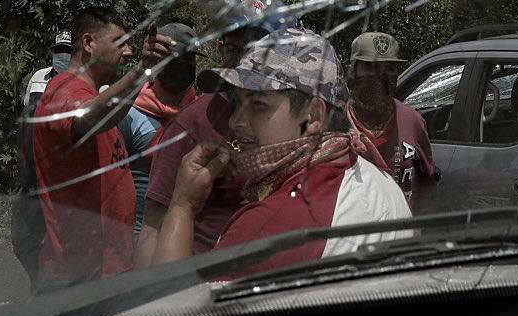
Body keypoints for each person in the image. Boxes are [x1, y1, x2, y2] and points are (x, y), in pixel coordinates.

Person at [154, 28, 411, 278]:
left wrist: (182, 206)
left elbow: (171, 311)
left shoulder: (267, 230)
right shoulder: (382, 183)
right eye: (237, 102)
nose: (235, 122)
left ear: (313, 116)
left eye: (258, 104)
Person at [15, 6, 173, 293]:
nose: (127, 53)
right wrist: (141, 69)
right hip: (75, 278)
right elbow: (88, 117)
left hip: (103, 271)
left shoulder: (93, 94)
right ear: (88, 43)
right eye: (119, 43)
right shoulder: (63, 88)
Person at [135, 0, 290, 266]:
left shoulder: (304, 122)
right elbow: (152, 230)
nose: (241, 60)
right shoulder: (192, 124)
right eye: (233, 48)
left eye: (256, 49)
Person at [113, 22, 198, 242]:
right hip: (134, 238)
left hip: (184, 240)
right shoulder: (127, 115)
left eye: (189, 58)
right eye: (174, 59)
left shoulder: (201, 113)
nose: (183, 65)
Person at [345, 31, 439, 208]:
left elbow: (427, 181)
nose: (379, 76)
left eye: (389, 68)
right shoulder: (336, 122)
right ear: (352, 71)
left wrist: (415, 226)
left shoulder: (412, 121)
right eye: (369, 67)